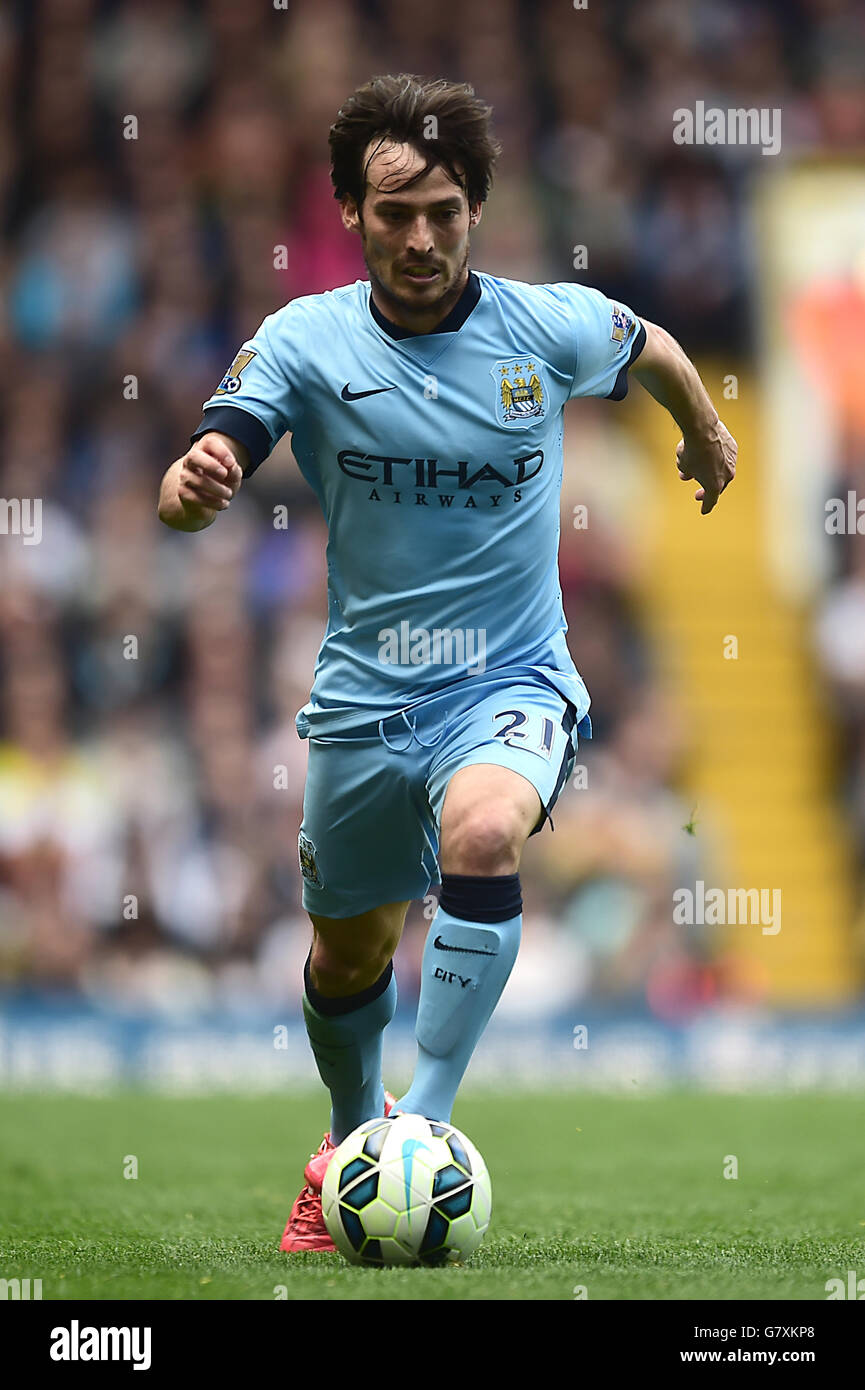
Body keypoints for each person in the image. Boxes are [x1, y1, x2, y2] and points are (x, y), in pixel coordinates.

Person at [157, 74, 737, 1251]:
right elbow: (222, 439)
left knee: (482, 834)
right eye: (392, 214)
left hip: (511, 679)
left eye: (443, 211)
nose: (419, 238)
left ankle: (421, 1121)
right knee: (346, 953)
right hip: (366, 695)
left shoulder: (547, 328)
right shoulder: (305, 339)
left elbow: (654, 344)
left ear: (475, 209)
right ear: (351, 214)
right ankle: (347, 1132)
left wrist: (706, 428)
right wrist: (194, 479)